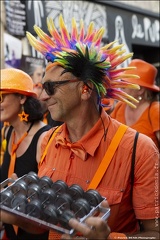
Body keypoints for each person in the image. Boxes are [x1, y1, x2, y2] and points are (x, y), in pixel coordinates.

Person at [1, 15, 159, 240]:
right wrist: (17, 213)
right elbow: (47, 224)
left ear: (85, 89)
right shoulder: (47, 142)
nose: (42, 96)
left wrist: (111, 238)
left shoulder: (140, 150)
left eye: (50, 86)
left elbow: (155, 232)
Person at [0, 68, 51, 240]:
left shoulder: (44, 138)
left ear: (22, 97)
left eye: (2, 96)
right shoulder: (8, 132)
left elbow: (50, 201)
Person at [111, 59, 160, 149]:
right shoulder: (120, 106)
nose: (121, 85)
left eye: (126, 82)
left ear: (140, 90)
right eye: (122, 81)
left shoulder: (155, 111)